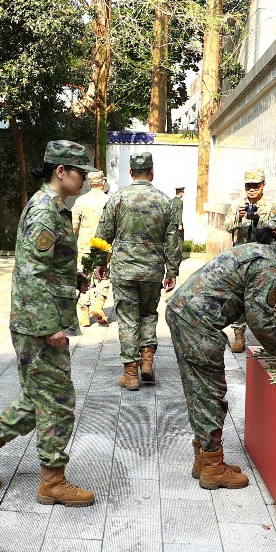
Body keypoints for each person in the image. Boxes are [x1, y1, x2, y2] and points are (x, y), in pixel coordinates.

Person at [0, 140, 97, 507]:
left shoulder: (54, 208)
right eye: (80, 172)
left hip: (37, 318)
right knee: (57, 401)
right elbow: (32, 274)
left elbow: (45, 266)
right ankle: (52, 482)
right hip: (39, 323)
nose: (85, 178)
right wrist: (50, 325)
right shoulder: (45, 210)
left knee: (40, 395)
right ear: (60, 172)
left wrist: (72, 277)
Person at [166, 216, 276, 488]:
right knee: (210, 393)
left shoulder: (257, 251)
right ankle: (213, 468)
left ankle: (203, 459)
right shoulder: (268, 265)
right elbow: (259, 316)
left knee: (198, 390)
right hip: (198, 323)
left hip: (183, 313)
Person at [94, 152, 181, 391]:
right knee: (148, 314)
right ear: (152, 172)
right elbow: (173, 240)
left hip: (124, 271)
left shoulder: (118, 198)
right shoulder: (165, 201)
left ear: (131, 172)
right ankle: (147, 362)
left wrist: (99, 262)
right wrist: (172, 271)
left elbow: (102, 234)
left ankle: (131, 374)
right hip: (152, 271)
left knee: (127, 319)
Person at [223, 169, 276, 353]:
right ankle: (239, 335)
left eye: (256, 185)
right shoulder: (237, 204)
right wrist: (238, 217)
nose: (252, 189)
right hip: (241, 258)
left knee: (266, 297)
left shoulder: (272, 205)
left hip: (263, 260)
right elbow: (227, 226)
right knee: (239, 295)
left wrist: (259, 219)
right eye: (249, 186)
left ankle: (270, 338)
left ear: (263, 185)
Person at [71, 169, 111, 327]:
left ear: (89, 183)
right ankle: (98, 304)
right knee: (104, 276)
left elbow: (73, 226)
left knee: (84, 277)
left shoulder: (80, 201)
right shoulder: (110, 200)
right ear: (103, 182)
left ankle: (84, 314)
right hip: (104, 246)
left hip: (85, 246)